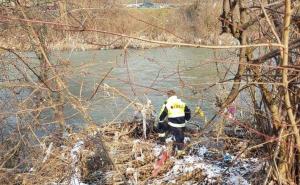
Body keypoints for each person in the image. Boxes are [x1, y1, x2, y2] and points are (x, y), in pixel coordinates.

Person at [157, 90, 191, 156]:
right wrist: (186, 120)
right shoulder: (182, 103)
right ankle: (180, 154)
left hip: (172, 124)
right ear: (175, 95)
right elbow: (188, 112)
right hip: (182, 125)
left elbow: (162, 115)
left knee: (160, 128)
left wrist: (160, 122)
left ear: (168, 96)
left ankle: (162, 143)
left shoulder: (167, 103)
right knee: (180, 139)